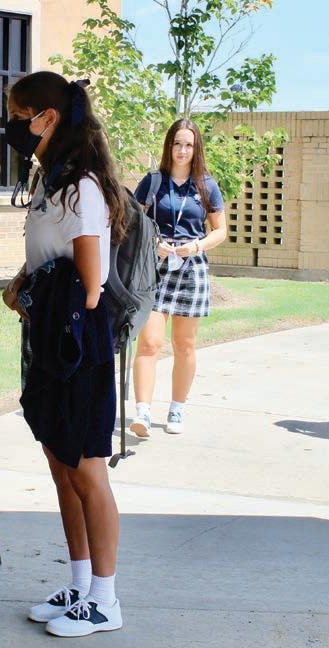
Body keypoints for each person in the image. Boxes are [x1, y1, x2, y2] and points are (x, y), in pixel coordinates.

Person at [1, 71, 127, 638]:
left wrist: (38, 292)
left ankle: (105, 599)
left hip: (78, 343)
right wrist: (23, 282)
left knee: (87, 470)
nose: (11, 125)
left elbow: (90, 284)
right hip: (53, 338)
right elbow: (50, 259)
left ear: (47, 118)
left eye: (17, 115)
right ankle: (79, 585)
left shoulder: (81, 188)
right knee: (60, 465)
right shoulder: (51, 181)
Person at [130, 119, 226, 437]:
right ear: (168, 146)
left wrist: (196, 246)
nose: (182, 150)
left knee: (184, 344)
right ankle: (143, 412)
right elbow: (133, 222)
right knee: (150, 342)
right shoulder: (153, 181)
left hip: (191, 266)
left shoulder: (206, 185)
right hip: (156, 266)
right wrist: (153, 243)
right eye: (177, 144)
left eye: (188, 145)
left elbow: (220, 231)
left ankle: (176, 408)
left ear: (196, 148)